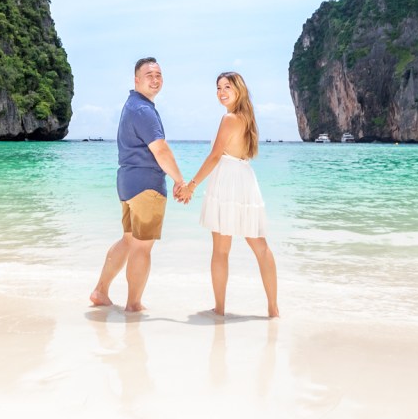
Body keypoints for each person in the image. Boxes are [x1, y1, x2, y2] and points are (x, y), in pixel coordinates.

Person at [176, 71, 280, 318]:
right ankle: (273, 308)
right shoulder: (247, 117)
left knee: (221, 250)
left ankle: (220, 309)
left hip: (228, 181)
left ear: (239, 90)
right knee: (261, 247)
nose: (221, 92)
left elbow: (214, 156)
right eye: (218, 88)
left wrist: (191, 185)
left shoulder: (230, 119)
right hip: (244, 178)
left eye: (227, 87)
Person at [90, 57, 187, 313]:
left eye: (158, 75)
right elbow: (161, 150)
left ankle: (100, 291)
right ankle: (133, 304)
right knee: (142, 246)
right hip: (146, 185)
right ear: (136, 79)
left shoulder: (132, 105)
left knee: (129, 240)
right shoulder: (143, 110)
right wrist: (180, 180)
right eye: (149, 75)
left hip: (127, 182)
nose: (155, 79)